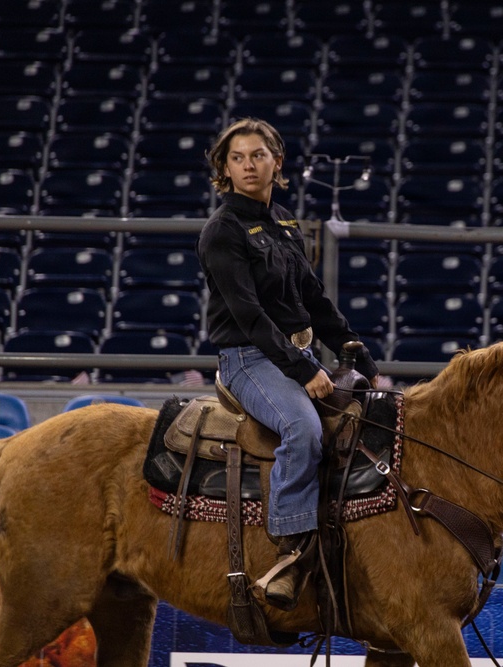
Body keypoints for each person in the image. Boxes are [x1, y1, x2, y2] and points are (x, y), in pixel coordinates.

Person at [197, 118, 379, 611]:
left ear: (278, 163)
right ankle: (291, 552)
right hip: (247, 358)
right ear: (225, 169)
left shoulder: (284, 222)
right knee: (303, 428)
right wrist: (305, 371)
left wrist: (350, 342)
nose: (248, 165)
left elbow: (313, 298)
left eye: (258, 155)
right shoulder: (222, 231)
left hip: (292, 353)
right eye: (238, 158)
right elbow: (249, 316)